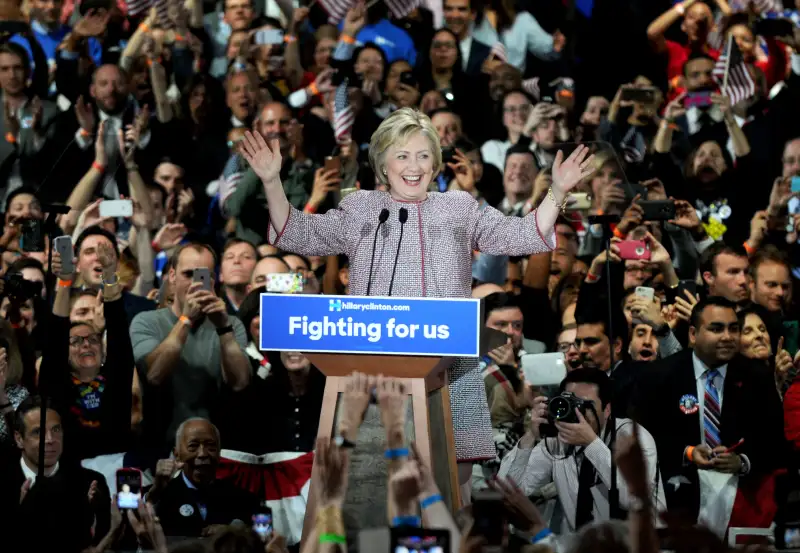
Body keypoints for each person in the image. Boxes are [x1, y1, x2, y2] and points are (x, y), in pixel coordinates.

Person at [239, 106, 595, 496]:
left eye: (424, 155)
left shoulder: (458, 207)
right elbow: (298, 234)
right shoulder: (362, 209)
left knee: (451, 499)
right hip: (375, 372)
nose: (414, 166)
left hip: (450, 373)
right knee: (378, 498)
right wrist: (272, 181)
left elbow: (520, 236)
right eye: (402, 155)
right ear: (383, 163)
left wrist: (557, 192)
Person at [633, 296, 785, 527]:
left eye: (733, 329)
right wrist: (688, 452)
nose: (727, 336)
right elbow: (642, 437)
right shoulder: (660, 376)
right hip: (676, 497)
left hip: (741, 500)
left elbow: (773, 441)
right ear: (693, 334)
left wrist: (742, 461)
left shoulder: (757, 376)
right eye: (716, 328)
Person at [498, 368, 665, 533]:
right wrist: (530, 436)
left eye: (585, 405)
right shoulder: (557, 442)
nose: (578, 413)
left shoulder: (633, 437)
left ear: (607, 409)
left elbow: (633, 499)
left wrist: (592, 444)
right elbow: (510, 491)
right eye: (571, 404)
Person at [130, 242, 250, 454]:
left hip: (217, 450)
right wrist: (186, 320)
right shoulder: (146, 322)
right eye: (188, 274)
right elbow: (154, 374)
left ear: (213, 280)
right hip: (159, 448)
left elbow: (239, 383)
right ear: (172, 276)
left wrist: (223, 329)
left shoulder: (231, 324)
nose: (196, 283)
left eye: (203, 276)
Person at [0, 396, 111, 553]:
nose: (50, 440)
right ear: (19, 439)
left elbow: (103, 542)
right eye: (38, 432)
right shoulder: (3, 484)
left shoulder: (90, 482)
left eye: (56, 430)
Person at [147, 417, 259, 538]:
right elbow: (136, 525)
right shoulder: (160, 495)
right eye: (193, 446)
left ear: (219, 453)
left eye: (210, 446)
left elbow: (261, 536)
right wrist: (156, 491)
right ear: (177, 455)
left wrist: (233, 533)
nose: (202, 454)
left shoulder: (240, 498)